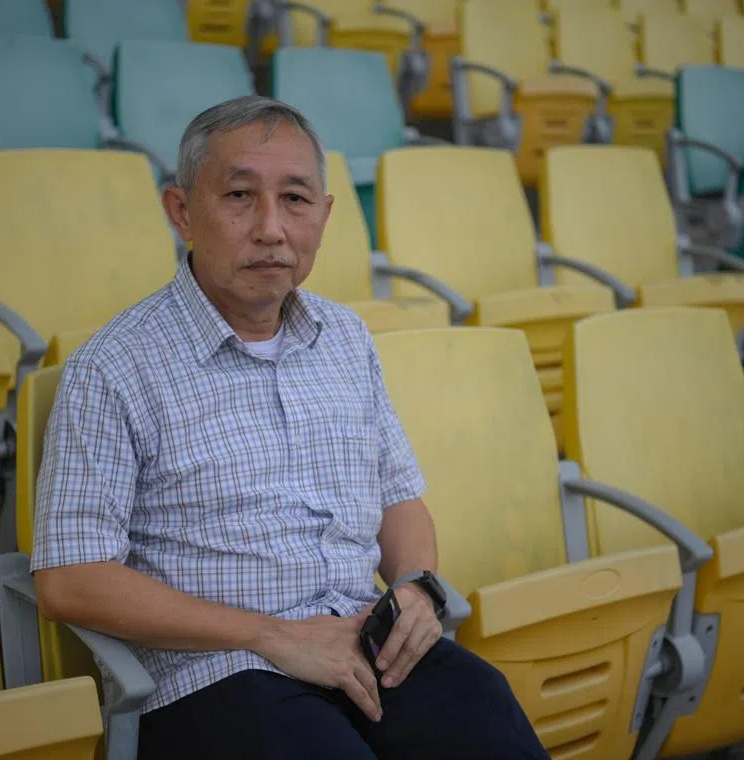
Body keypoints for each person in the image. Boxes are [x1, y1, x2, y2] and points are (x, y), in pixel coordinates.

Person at [31, 95, 548, 760]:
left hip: (363, 647)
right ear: (181, 212)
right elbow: (69, 579)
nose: (272, 228)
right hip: (218, 675)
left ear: (325, 217)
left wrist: (418, 584)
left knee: (484, 714)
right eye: (240, 195)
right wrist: (273, 636)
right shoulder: (113, 368)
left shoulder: (346, 338)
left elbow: (398, 498)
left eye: (296, 200)